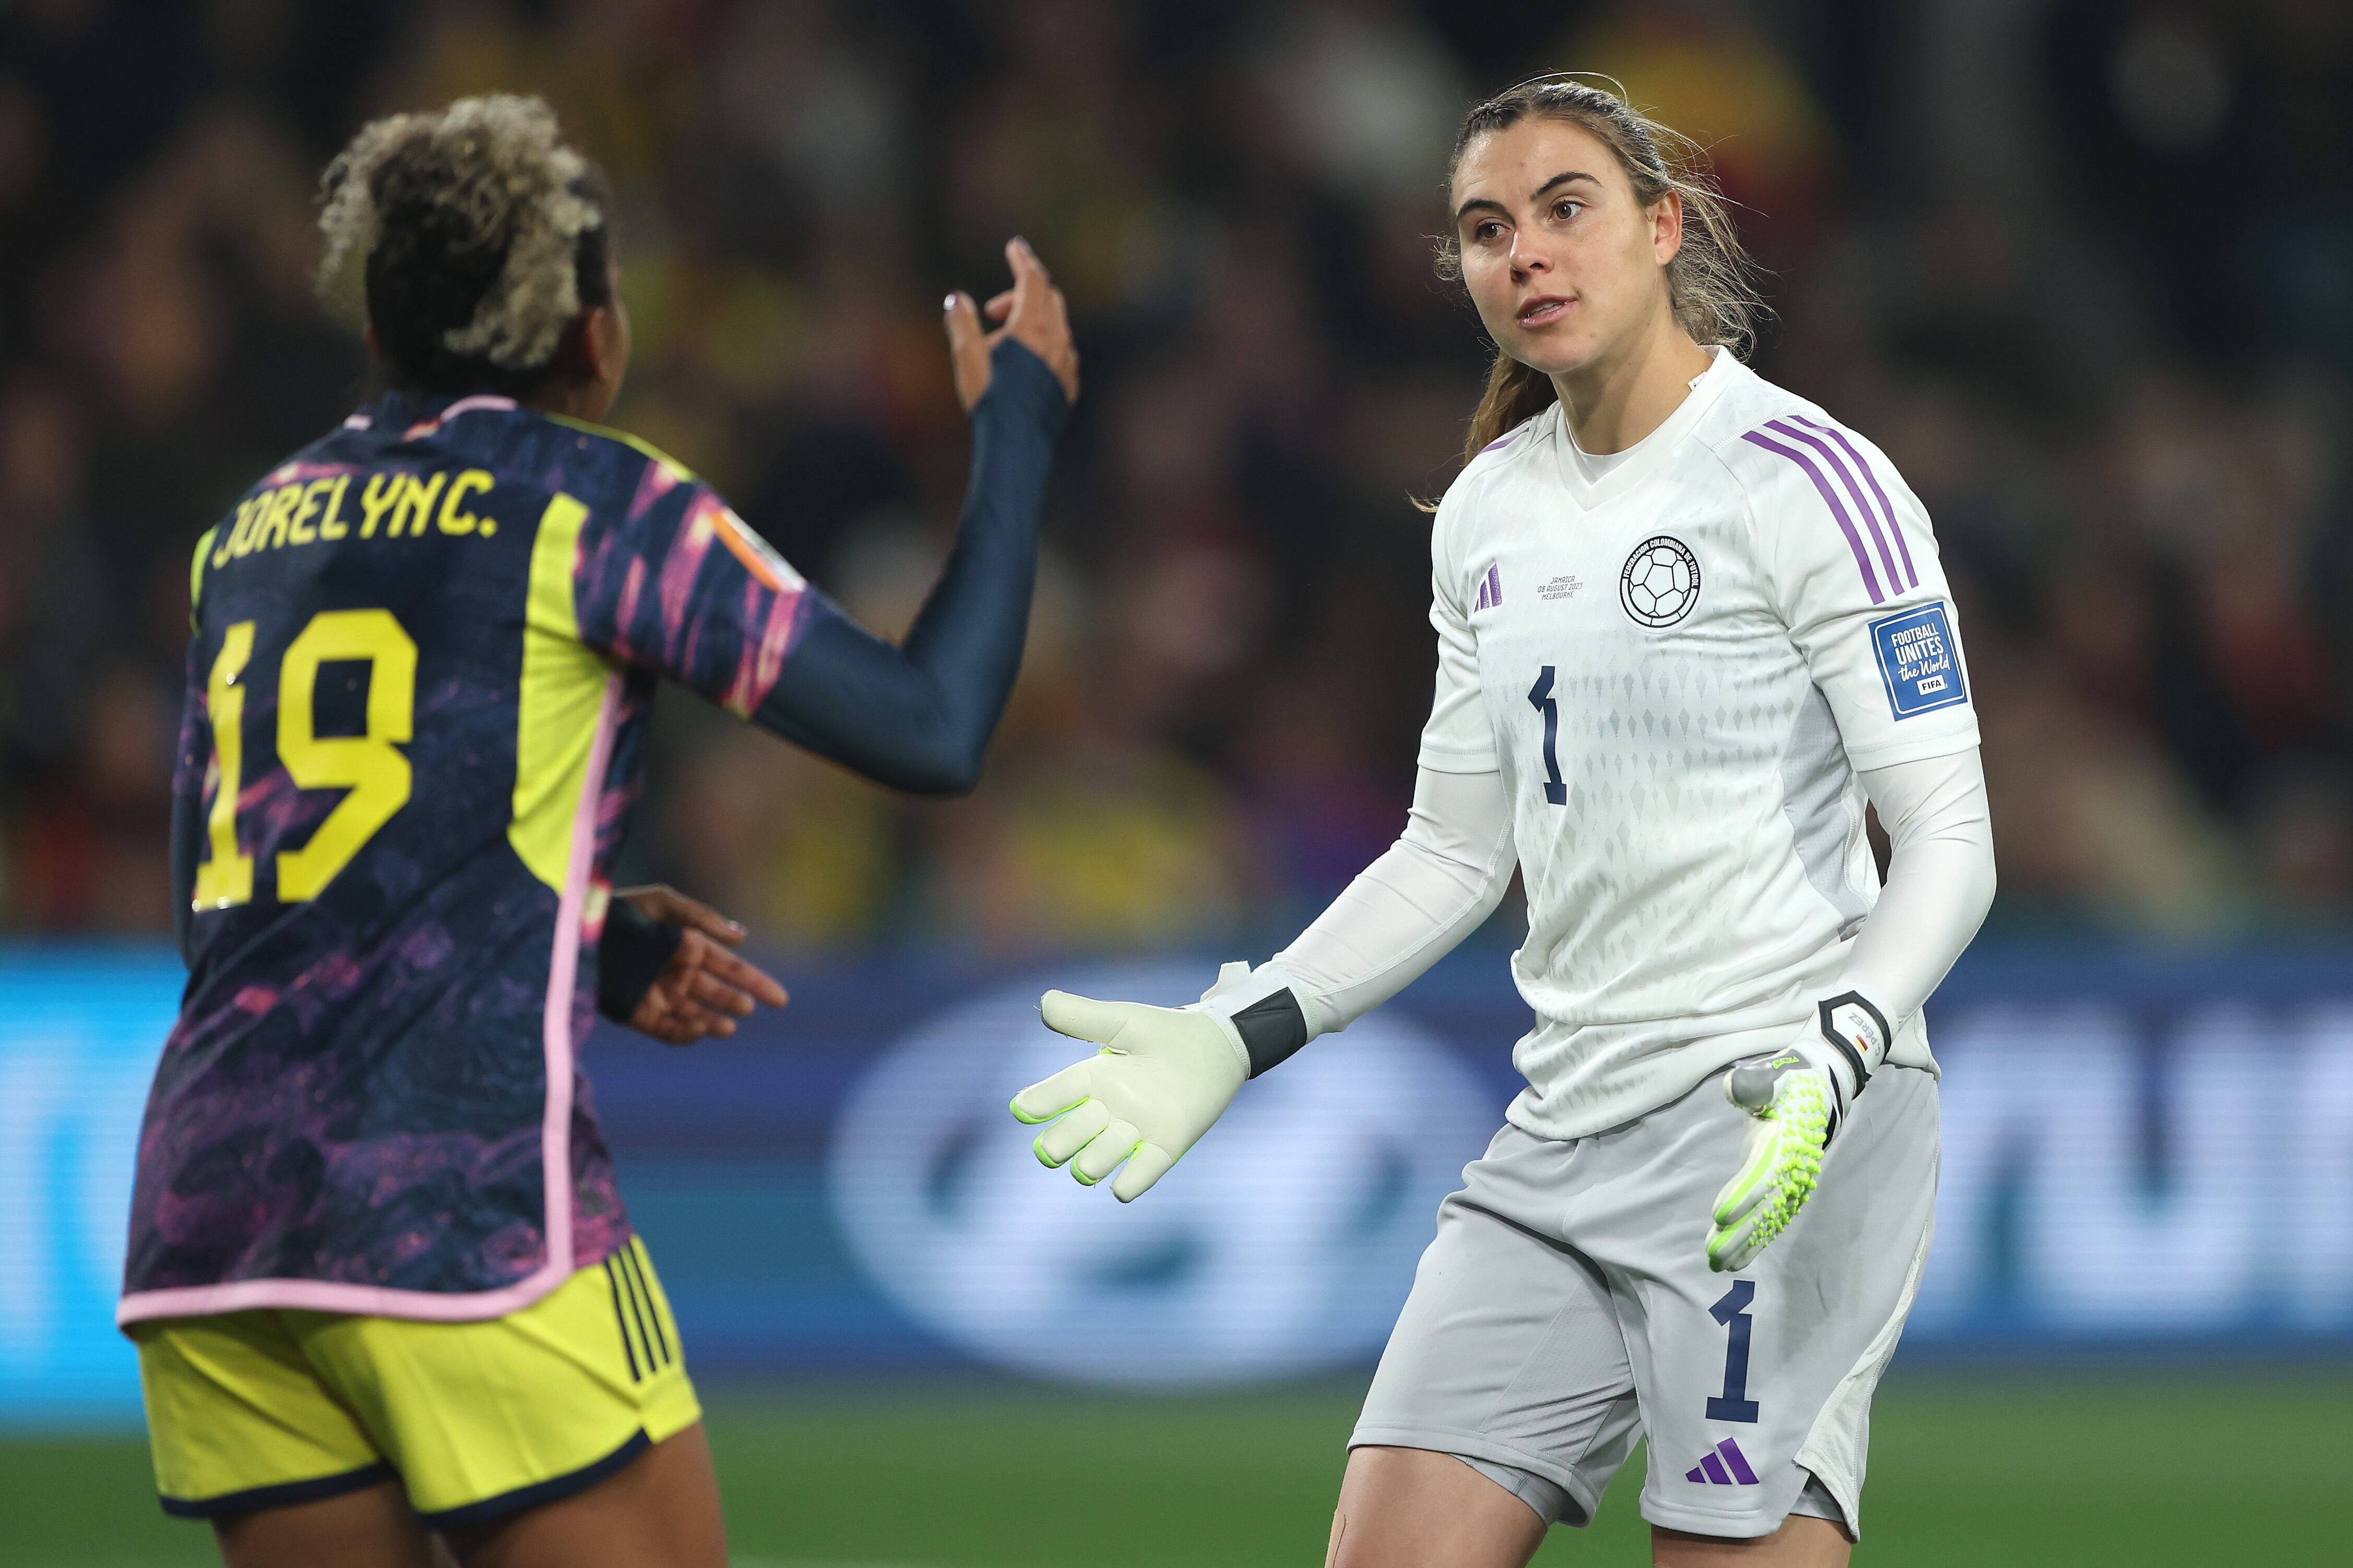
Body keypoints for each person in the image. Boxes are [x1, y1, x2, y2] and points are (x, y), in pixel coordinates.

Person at [1010, 77, 1991, 1567]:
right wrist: (1242, 1027)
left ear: (1663, 230)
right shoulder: (1486, 511)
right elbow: (1457, 852)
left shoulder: (1809, 482)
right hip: (1560, 1132)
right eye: (1484, 228)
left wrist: (1834, 1052)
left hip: (1768, 1123)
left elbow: (1948, 835)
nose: (1523, 252)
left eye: (1564, 209)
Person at [121, 94, 1078, 1568]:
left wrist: (588, 939)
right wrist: (1016, 430)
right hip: (461, 1207)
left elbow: (276, 887)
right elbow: (930, 729)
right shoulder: (591, 505)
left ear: (377, 327)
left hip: (214, 1220)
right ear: (591, 337)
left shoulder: (251, 528)